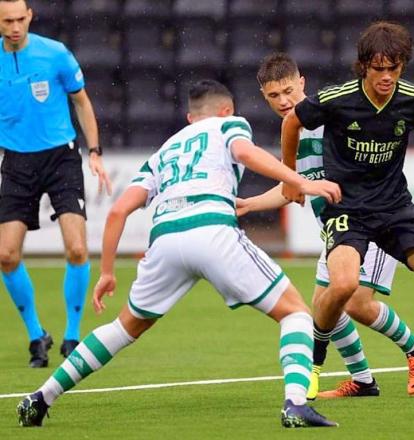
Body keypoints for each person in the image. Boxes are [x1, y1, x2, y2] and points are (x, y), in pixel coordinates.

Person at [16, 80, 339, 428]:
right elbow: (245, 153)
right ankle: (295, 404)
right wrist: (301, 182)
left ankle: (42, 396)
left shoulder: (163, 152)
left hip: (164, 239)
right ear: (226, 110)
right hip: (212, 227)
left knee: (124, 327)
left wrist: (107, 273)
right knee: (295, 313)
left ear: (189, 117)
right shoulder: (230, 124)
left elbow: (117, 212)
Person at [279, 21, 414, 392]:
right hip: (348, 211)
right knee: (341, 288)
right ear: (363, 66)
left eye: (394, 68)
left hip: (395, 208)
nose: (387, 76)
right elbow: (292, 121)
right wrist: (290, 177)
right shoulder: (336, 99)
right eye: (378, 69)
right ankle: (314, 363)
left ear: (402, 65)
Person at [239, 52, 414, 399]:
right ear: (263, 97)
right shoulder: (294, 132)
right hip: (339, 231)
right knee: (326, 304)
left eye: (289, 91)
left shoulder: (334, 117)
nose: (284, 101)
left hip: (373, 221)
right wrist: (250, 205)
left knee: (356, 303)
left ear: (303, 83)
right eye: (274, 96)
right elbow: (294, 187)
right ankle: (362, 381)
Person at [0, 0, 112, 368]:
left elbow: (81, 101)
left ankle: (72, 336)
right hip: (16, 161)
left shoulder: (55, 54)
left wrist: (94, 151)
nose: (15, 27)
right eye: (7, 21)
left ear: (30, 16)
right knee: (6, 255)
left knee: (77, 249)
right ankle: (37, 335)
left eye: (20, 19)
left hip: (61, 157)